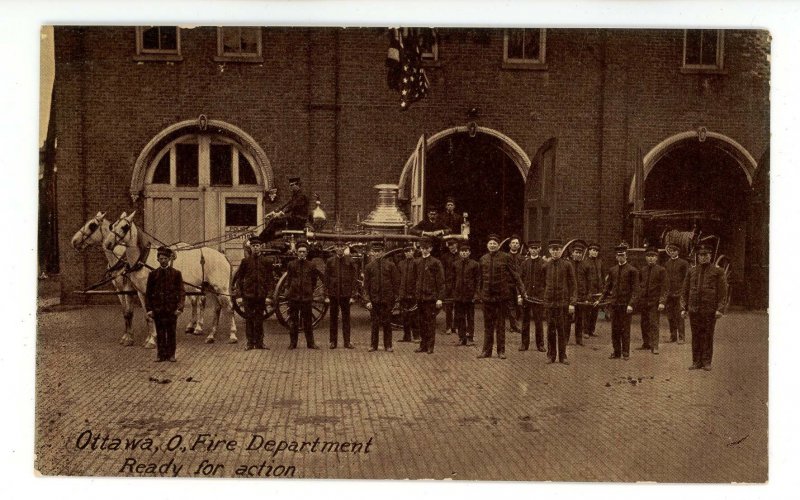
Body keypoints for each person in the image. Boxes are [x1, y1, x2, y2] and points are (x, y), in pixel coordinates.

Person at [476, 233, 524, 359]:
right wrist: (479, 294)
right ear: (487, 245)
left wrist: (522, 292)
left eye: (495, 244)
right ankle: (486, 351)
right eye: (490, 243)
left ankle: (500, 351)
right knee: (488, 326)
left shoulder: (505, 257)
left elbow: (515, 275)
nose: (492, 245)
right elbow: (479, 279)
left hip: (501, 298)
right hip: (487, 298)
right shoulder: (483, 259)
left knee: (501, 325)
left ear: (498, 245)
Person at [681, 243, 728, 371]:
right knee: (695, 336)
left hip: (709, 310)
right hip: (694, 309)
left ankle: (707, 362)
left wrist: (720, 309)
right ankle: (696, 362)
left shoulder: (718, 271)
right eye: (701, 255)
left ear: (710, 256)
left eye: (706, 255)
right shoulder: (692, 271)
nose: (703, 257)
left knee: (707, 335)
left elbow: (723, 292)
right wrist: (683, 308)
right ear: (698, 256)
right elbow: (685, 290)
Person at [597, 244, 639, 360]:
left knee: (625, 329)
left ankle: (625, 353)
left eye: (623, 255)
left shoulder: (632, 271)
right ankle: (616, 352)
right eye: (619, 255)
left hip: (626, 306)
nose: (621, 257)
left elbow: (636, 290)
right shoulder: (612, 270)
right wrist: (600, 300)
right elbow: (607, 288)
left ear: (626, 256)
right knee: (615, 330)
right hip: (614, 305)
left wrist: (631, 304)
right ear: (616, 257)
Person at [231, 237, 274, 350]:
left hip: (261, 296)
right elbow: (240, 279)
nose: (256, 248)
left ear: (261, 247)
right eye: (253, 246)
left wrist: (269, 296)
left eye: (257, 246)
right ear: (251, 247)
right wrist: (239, 296)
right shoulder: (245, 262)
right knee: (249, 319)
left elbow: (270, 280)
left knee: (259, 320)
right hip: (248, 295)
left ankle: (260, 343)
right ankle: (250, 343)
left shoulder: (266, 261)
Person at [145, 246, 185, 362]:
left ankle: (171, 355)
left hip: (171, 310)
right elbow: (148, 294)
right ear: (157, 260)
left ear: (169, 259)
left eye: (165, 258)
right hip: (158, 310)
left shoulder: (176, 274)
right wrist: (149, 309)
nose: (163, 260)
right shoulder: (153, 274)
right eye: (161, 258)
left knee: (171, 333)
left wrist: (180, 308)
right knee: (160, 332)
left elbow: (181, 292)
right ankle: (160, 355)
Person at [542, 239, 577, 364]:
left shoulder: (567, 265)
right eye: (553, 249)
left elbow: (573, 285)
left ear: (561, 250)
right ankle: (551, 355)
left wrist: (572, 303)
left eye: (558, 249)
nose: (555, 252)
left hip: (563, 304)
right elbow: (542, 284)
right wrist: (544, 299)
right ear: (550, 251)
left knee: (562, 330)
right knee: (550, 330)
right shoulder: (546, 265)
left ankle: (563, 356)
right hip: (550, 303)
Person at [285, 241, 323, 349]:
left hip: (306, 298)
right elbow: (289, 280)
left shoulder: (311, 265)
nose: (302, 254)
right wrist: (291, 290)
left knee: (308, 322)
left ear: (306, 253)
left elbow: (314, 280)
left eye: (304, 252)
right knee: (294, 321)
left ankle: (310, 343)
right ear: (297, 252)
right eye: (300, 252)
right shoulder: (291, 265)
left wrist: (309, 290)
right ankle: (293, 343)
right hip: (294, 297)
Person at [364, 241, 400, 352]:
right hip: (374, 299)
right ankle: (373, 346)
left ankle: (388, 345)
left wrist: (395, 299)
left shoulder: (390, 265)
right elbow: (366, 286)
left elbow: (396, 283)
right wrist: (367, 300)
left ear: (383, 252)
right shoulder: (369, 267)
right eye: (375, 251)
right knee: (374, 324)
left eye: (379, 251)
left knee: (387, 323)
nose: (377, 253)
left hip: (387, 300)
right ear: (372, 252)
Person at [324, 239, 358, 349]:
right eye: (337, 246)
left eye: (341, 246)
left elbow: (354, 279)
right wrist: (326, 295)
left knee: (346, 319)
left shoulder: (350, 261)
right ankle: (333, 342)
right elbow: (326, 279)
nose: (339, 248)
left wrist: (353, 295)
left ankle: (347, 342)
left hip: (346, 295)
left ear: (344, 248)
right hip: (333, 295)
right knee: (333, 318)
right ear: (334, 248)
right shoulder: (330, 261)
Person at [414, 238, 445, 354]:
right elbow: (414, 279)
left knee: (430, 323)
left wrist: (439, 298)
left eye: (426, 248)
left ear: (430, 249)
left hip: (431, 298)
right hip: (420, 298)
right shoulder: (417, 262)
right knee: (421, 322)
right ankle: (423, 345)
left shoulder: (436, 262)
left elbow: (441, 282)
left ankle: (430, 346)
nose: (424, 251)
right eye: (422, 248)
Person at [258, 176, 310, 242]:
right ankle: (262, 239)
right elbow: (286, 204)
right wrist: (273, 212)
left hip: (298, 221)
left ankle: (261, 239)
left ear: (297, 185)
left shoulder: (301, 196)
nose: (290, 187)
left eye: (291, 185)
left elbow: (291, 206)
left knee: (274, 222)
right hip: (294, 220)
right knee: (274, 221)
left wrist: (281, 213)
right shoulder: (295, 195)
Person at [638, 246, 668, 354]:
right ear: (646, 258)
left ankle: (655, 346)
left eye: (653, 256)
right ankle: (646, 343)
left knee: (654, 324)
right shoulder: (643, 270)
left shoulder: (661, 270)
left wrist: (662, 302)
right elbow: (640, 285)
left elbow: (665, 288)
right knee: (644, 323)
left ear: (657, 258)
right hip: (644, 302)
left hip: (654, 302)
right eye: (649, 256)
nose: (651, 258)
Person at [519, 240, 546, 352]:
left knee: (539, 321)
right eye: (531, 248)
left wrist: (544, 294)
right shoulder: (524, 264)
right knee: (525, 321)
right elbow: (519, 280)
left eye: (536, 248)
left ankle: (540, 344)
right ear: (528, 250)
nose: (533, 250)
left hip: (539, 297)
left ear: (539, 249)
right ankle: (524, 344)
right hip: (527, 296)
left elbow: (546, 281)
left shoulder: (544, 263)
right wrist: (520, 295)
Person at [452, 242, 480, 346]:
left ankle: (470, 338)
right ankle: (461, 337)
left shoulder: (475, 264)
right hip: (459, 295)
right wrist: (453, 293)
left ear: (469, 253)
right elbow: (453, 279)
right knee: (460, 316)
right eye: (462, 251)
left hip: (470, 295)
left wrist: (476, 294)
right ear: (459, 253)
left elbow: (478, 280)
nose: (464, 253)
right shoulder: (455, 264)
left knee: (470, 317)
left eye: (466, 251)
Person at [664, 242, 689, 344]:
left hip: (679, 293)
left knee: (679, 315)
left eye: (674, 251)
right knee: (670, 315)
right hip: (669, 293)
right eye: (670, 251)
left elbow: (686, 278)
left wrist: (683, 290)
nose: (672, 253)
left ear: (677, 252)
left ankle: (681, 337)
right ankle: (673, 336)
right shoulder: (667, 263)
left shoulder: (684, 263)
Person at [397, 245, 420, 342]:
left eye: (409, 251)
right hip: (403, 294)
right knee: (405, 316)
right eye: (406, 252)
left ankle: (416, 336)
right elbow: (398, 279)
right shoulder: (401, 264)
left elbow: (419, 278)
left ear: (413, 252)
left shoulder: (417, 263)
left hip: (413, 294)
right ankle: (406, 336)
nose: (407, 253)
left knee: (414, 316)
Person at [582, 242, 604, 337]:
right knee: (587, 311)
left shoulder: (600, 262)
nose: (595, 252)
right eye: (593, 250)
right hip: (589, 290)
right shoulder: (585, 262)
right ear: (589, 251)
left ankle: (592, 330)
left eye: (596, 251)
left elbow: (602, 275)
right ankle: (585, 331)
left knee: (595, 311)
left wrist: (602, 288)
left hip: (598, 290)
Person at [440, 238, 460, 335]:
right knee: (448, 307)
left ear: (456, 245)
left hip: (458, 284)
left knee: (457, 306)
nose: (451, 247)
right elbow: (442, 270)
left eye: (453, 245)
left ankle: (455, 327)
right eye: (450, 245)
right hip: (448, 285)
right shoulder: (444, 257)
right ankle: (448, 327)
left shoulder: (461, 255)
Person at [570, 243, 588, 346]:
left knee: (580, 318)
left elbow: (589, 281)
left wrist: (587, 296)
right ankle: (566, 338)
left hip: (581, 296)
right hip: (571, 296)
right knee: (568, 318)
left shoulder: (585, 266)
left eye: (580, 253)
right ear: (572, 253)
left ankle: (579, 339)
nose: (578, 255)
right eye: (576, 252)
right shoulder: (568, 265)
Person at [506, 235, 524, 333]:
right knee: (510, 305)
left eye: (517, 243)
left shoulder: (522, 258)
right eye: (513, 243)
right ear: (509, 245)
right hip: (509, 285)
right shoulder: (506, 257)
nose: (515, 245)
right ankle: (514, 325)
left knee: (519, 305)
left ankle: (516, 324)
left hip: (519, 285)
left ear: (519, 245)